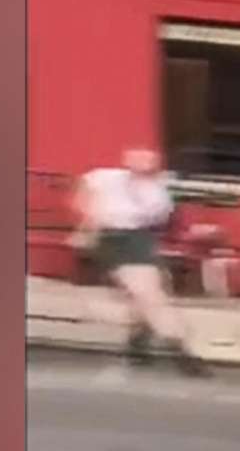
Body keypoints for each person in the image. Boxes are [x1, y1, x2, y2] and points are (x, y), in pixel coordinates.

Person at [69, 148, 207, 375]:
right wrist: (88, 223)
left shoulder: (157, 194)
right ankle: (180, 349)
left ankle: (138, 343)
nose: (142, 164)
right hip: (112, 238)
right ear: (127, 161)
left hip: (137, 239)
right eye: (138, 158)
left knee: (149, 291)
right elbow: (81, 199)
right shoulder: (105, 177)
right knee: (150, 294)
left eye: (149, 161)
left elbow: (154, 223)